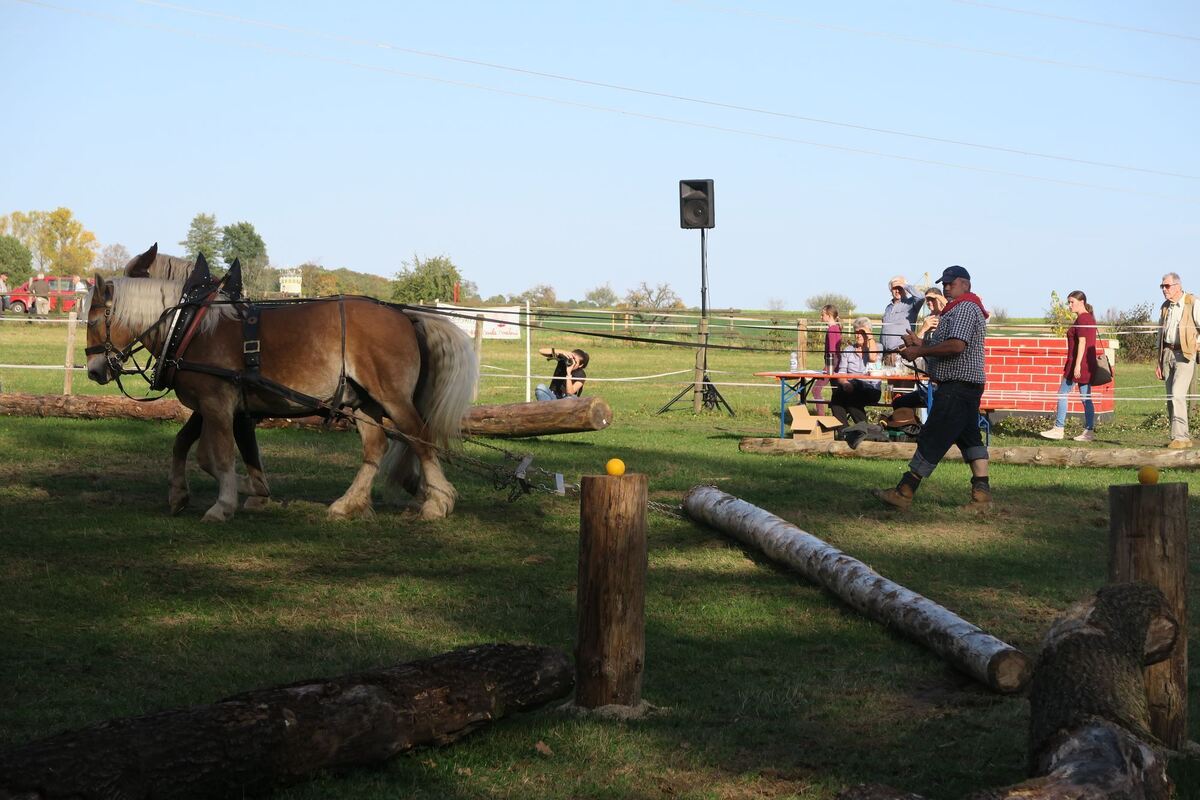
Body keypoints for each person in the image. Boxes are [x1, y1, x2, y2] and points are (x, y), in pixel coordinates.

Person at [874, 265, 990, 511]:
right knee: (970, 439)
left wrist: (920, 350)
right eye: (945, 283)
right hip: (965, 386)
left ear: (965, 284)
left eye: (951, 283)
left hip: (957, 386)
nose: (946, 287)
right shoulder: (959, 308)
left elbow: (957, 346)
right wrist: (920, 341)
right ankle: (981, 496)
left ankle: (904, 491)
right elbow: (947, 343)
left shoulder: (965, 308)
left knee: (933, 436)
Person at [1040, 291, 1098, 442]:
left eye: (1072, 302)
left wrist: (1077, 365)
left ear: (1082, 301)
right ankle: (1089, 432)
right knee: (1086, 399)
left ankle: (1059, 429)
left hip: (1077, 364)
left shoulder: (1083, 318)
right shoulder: (1089, 318)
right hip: (1086, 364)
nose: (1070, 305)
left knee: (1062, 394)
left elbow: (1083, 342)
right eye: (1069, 302)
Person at [1156, 273, 1200, 449]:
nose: (1164, 290)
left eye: (1167, 286)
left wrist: (1197, 344)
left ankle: (1181, 437)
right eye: (1162, 287)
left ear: (1177, 286)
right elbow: (1160, 335)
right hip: (1167, 353)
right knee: (1170, 398)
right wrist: (1158, 361)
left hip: (1185, 354)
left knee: (1177, 394)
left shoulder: (1192, 302)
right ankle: (1179, 436)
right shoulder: (1165, 306)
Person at [829, 317, 881, 425]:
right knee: (836, 397)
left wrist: (870, 337)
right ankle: (844, 432)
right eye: (856, 332)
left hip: (871, 388)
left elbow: (872, 358)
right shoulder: (848, 350)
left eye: (862, 332)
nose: (858, 335)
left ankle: (864, 430)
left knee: (852, 398)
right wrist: (845, 383)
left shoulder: (878, 347)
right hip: (851, 387)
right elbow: (841, 373)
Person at [880, 275, 924, 365]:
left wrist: (905, 285)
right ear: (890, 290)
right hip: (887, 355)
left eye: (899, 288)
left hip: (903, 353)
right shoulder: (888, 308)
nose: (897, 291)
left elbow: (921, 297)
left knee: (904, 379)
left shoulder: (911, 304)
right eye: (894, 288)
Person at [810, 304, 842, 414]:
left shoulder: (832, 330)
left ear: (829, 315)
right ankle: (837, 418)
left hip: (832, 363)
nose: (821, 317)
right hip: (835, 362)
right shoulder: (835, 328)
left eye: (822, 315)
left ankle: (821, 416)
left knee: (816, 389)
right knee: (836, 392)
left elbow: (832, 351)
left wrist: (828, 368)